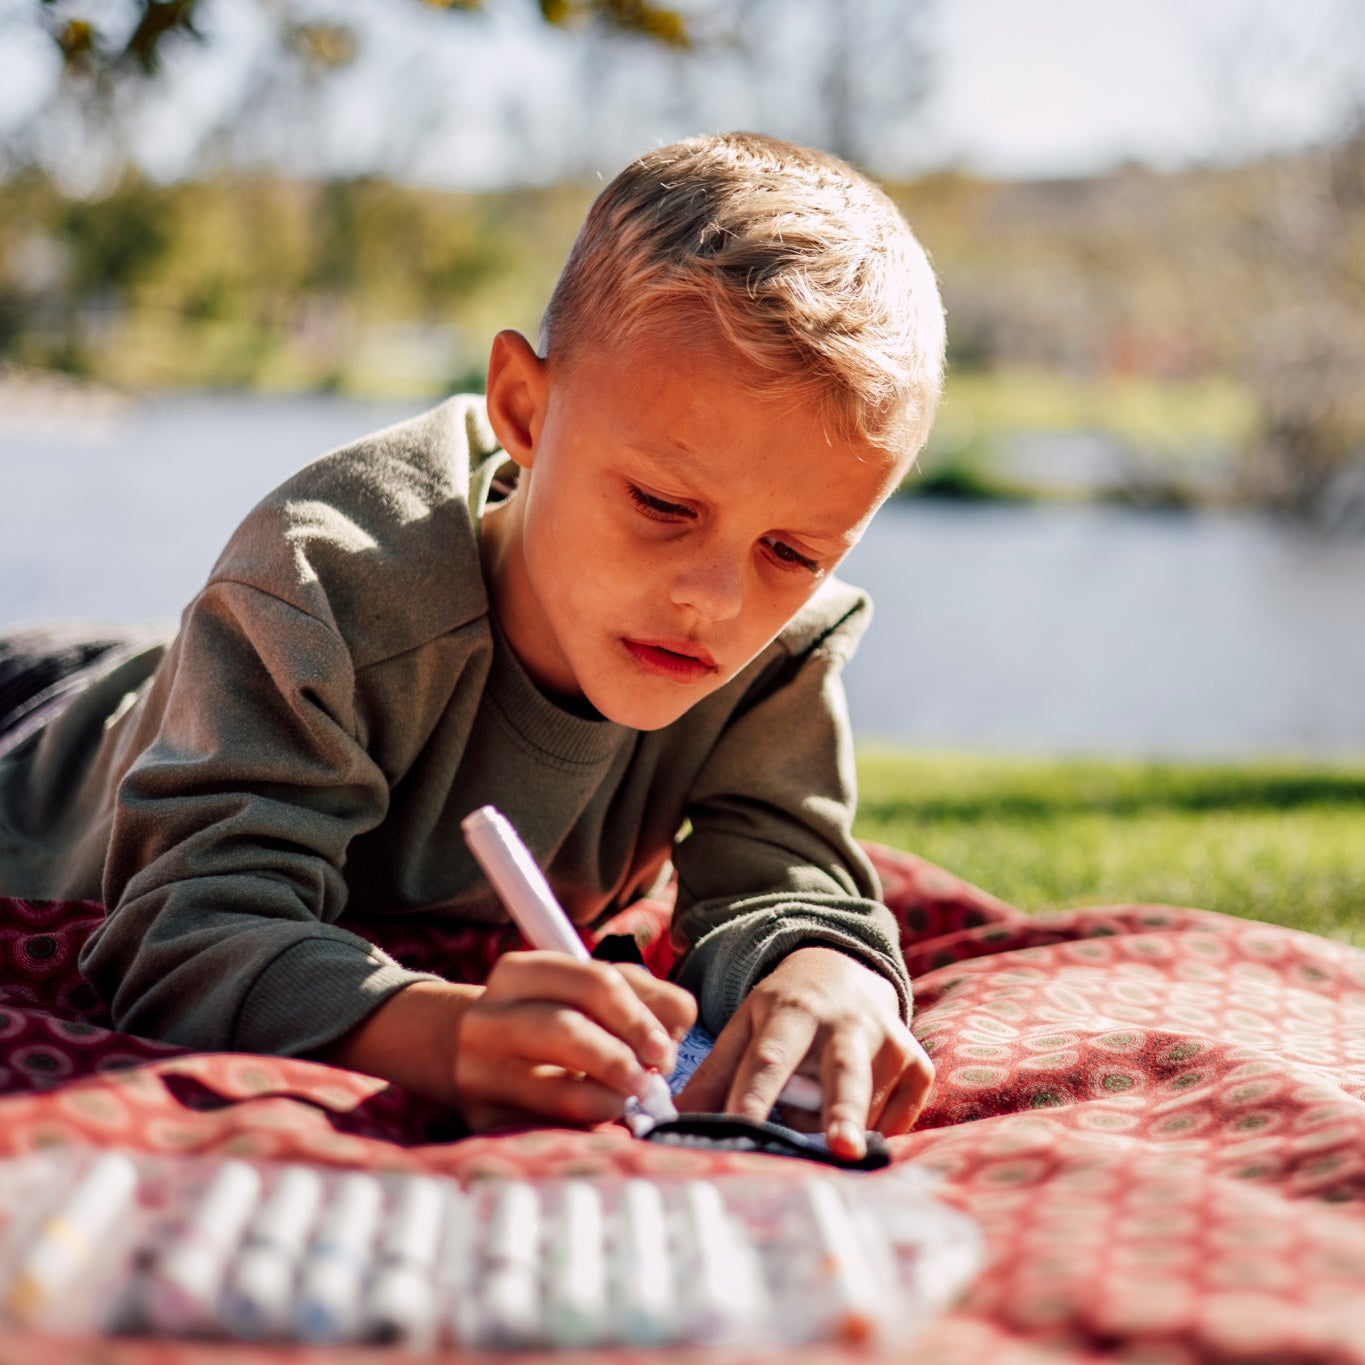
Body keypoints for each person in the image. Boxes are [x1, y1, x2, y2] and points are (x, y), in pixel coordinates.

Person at [0, 132, 944, 1160]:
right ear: (523, 410)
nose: (715, 599)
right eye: (663, 504)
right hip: (46, 732)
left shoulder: (778, 647)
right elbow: (184, 924)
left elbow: (784, 870)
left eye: (794, 551)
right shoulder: (323, 583)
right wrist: (445, 1035)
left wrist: (823, 971)